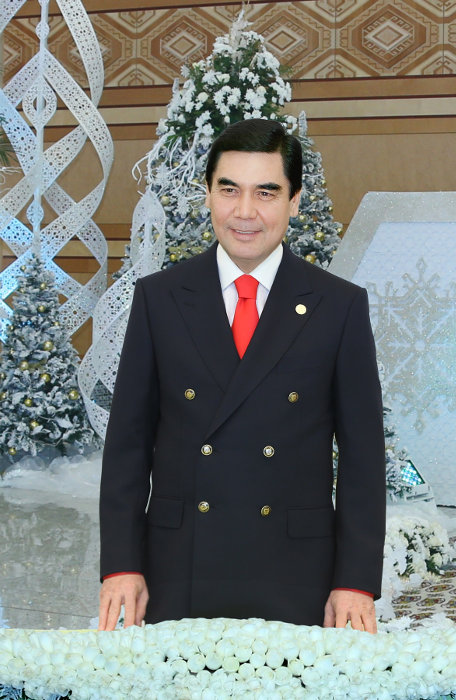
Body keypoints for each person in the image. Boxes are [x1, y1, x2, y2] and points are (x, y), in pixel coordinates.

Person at [98, 118, 385, 633]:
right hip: (178, 566)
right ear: (208, 194)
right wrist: (122, 564)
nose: (245, 212)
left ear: (294, 201)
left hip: (297, 572)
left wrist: (355, 581)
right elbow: (127, 446)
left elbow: (363, 458)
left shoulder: (338, 306)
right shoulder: (160, 298)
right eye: (229, 190)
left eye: (266, 192)